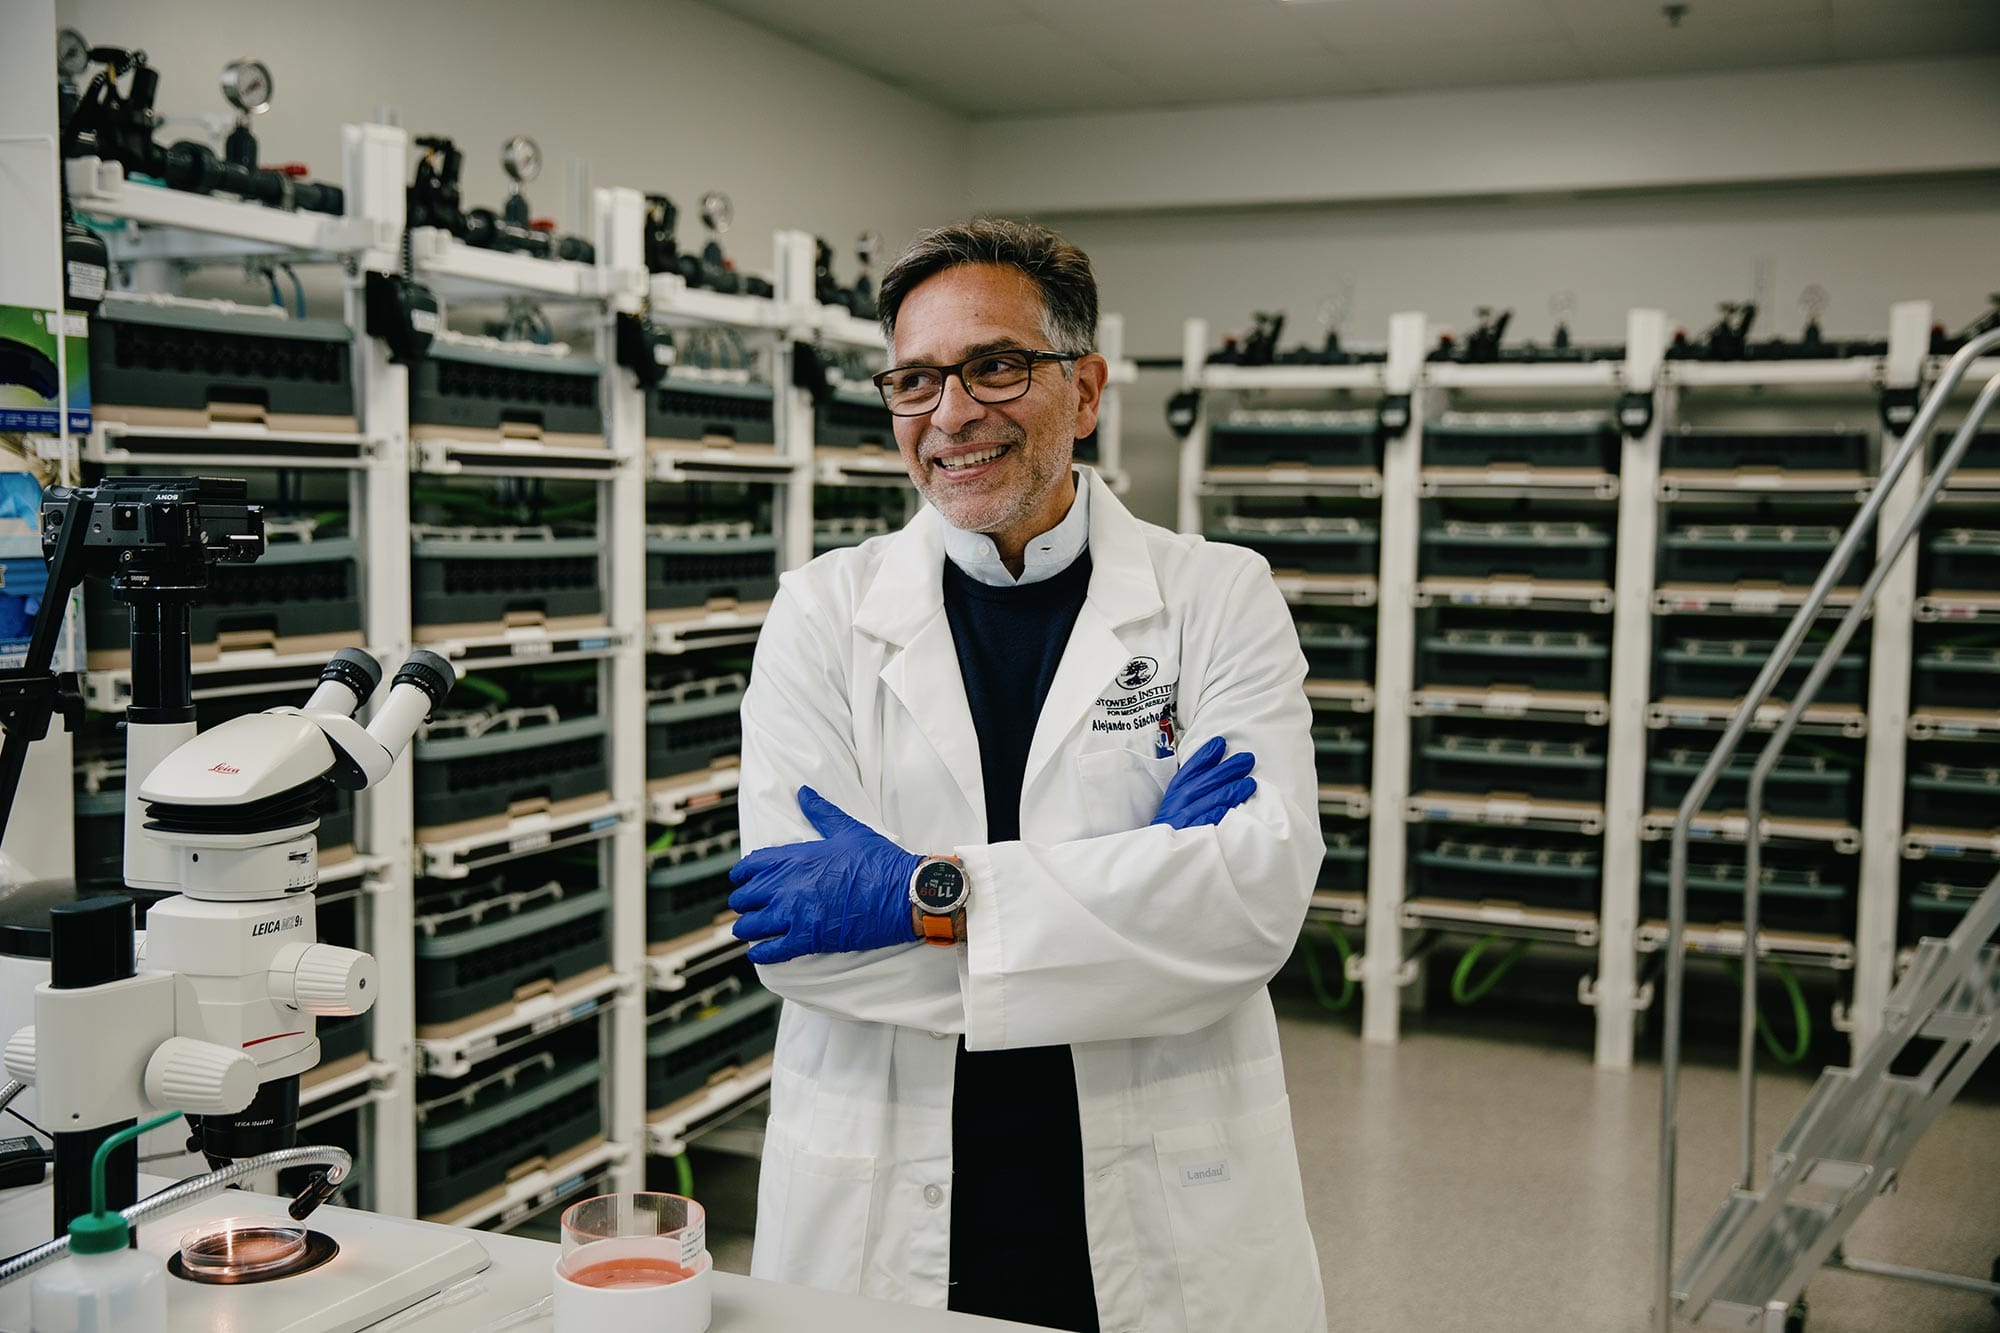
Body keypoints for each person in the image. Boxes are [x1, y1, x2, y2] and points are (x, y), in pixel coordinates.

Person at [727, 218, 1326, 1333]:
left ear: (1085, 389)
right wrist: (1137, 878)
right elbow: (799, 949)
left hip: (1155, 1194)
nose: (951, 413)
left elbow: (1248, 906)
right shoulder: (819, 613)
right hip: (889, 1187)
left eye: (995, 366)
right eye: (914, 379)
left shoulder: (1216, 597)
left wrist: (919, 897)